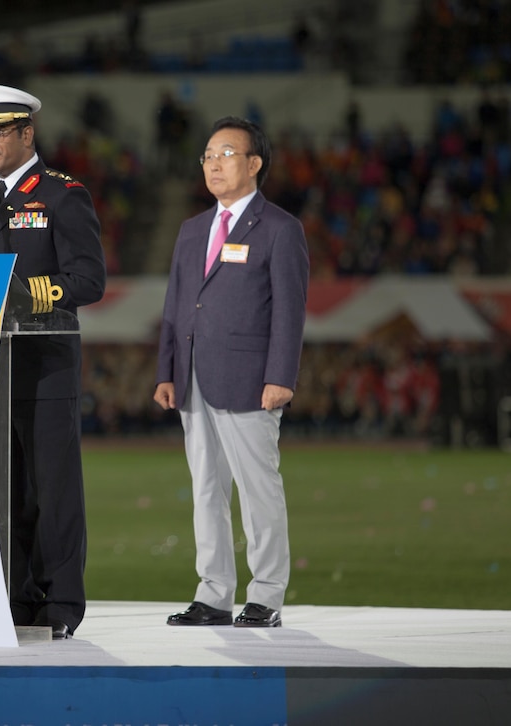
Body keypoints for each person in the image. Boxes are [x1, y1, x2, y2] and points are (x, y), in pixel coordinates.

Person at [0, 84, 107, 639]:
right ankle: (14, 598)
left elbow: (90, 279)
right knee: (2, 490)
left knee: (52, 487)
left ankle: (61, 602)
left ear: (26, 134)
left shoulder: (63, 195)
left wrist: (32, 295)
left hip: (43, 364)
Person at [153, 116, 309, 628]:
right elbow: (176, 306)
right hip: (194, 378)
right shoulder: (193, 229)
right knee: (206, 489)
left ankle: (265, 595)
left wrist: (281, 375)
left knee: (258, 488)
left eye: (225, 154)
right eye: (207, 156)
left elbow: (289, 310)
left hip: (250, 380)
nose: (213, 165)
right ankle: (214, 593)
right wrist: (166, 371)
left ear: (254, 164)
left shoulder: (281, 229)